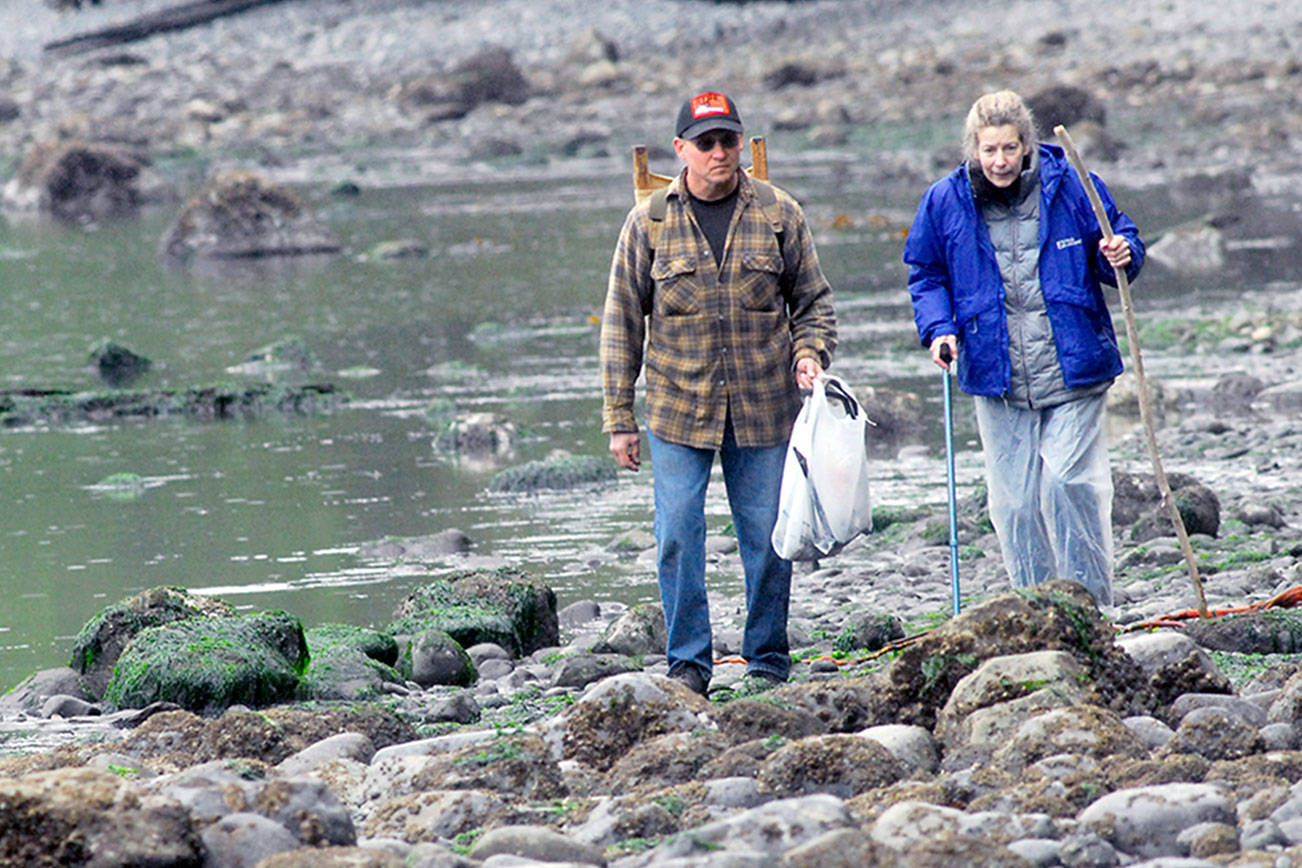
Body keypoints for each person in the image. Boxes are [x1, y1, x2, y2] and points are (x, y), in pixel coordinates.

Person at [600, 91, 837, 695]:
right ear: (680, 150)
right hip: (678, 409)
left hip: (765, 408)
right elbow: (621, 322)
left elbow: (813, 304)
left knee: (766, 537)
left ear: (741, 145)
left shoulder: (780, 213)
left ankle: (766, 658)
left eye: (728, 140)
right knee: (678, 532)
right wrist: (619, 417)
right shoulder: (648, 221)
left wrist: (809, 354)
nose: (719, 152)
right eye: (705, 142)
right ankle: (688, 663)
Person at [903, 89, 1144, 607]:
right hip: (996, 372)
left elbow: (1118, 241)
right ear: (973, 149)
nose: (1000, 162)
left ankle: (1088, 607)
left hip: (1075, 364)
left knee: (1065, 484)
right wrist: (939, 329)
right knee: (1013, 505)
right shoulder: (944, 200)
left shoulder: (1073, 185)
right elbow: (925, 272)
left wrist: (1121, 252)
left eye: (1009, 149)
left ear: (1026, 145)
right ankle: (1035, 607)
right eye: (989, 151)